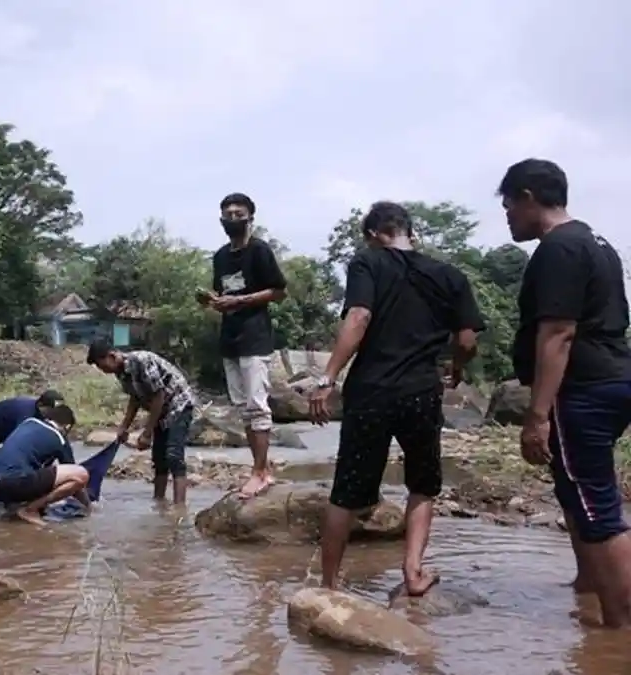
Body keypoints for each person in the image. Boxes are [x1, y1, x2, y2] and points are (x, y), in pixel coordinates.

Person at [307, 201, 485, 596]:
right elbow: (468, 340)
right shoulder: (449, 275)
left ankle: (329, 586)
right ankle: (413, 573)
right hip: (421, 392)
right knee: (422, 484)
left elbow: (359, 318)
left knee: (347, 491)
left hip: (370, 390)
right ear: (410, 232)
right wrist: (457, 366)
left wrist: (327, 377)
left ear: (373, 235)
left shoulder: (367, 263)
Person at [500, 158, 631, 627]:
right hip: (613, 376)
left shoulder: (558, 249)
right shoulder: (596, 242)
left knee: (598, 507)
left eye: (509, 204)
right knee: (575, 491)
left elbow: (558, 333)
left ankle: (620, 629)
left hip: (584, 388)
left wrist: (537, 416)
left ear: (530, 197)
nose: (508, 215)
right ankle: (589, 589)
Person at [196, 192, 288, 499]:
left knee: (257, 407)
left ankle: (261, 473)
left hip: (255, 337)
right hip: (230, 340)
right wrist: (214, 301)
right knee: (243, 409)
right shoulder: (221, 256)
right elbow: (224, 294)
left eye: (238, 213)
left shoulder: (260, 251)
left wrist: (242, 300)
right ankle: (259, 469)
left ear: (250, 217)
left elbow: (278, 291)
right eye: (227, 214)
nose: (231, 218)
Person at [87, 340, 197, 506]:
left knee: (173, 456)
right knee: (159, 459)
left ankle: (179, 508)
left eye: (102, 366)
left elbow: (158, 396)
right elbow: (135, 399)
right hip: (161, 410)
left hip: (178, 404)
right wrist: (124, 427)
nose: (103, 371)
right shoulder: (121, 372)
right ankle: (159, 503)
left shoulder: (141, 361)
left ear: (111, 356)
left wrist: (147, 433)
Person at [0, 404, 90, 526]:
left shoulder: (28, 422)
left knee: (34, 473)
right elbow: (76, 480)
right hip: (14, 482)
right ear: (67, 426)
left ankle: (14, 510)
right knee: (81, 474)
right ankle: (30, 510)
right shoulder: (59, 438)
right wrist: (88, 506)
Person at [0, 389, 66, 471]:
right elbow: (17, 444)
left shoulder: (50, 417)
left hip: (9, 427)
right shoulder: (26, 414)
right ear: (40, 406)